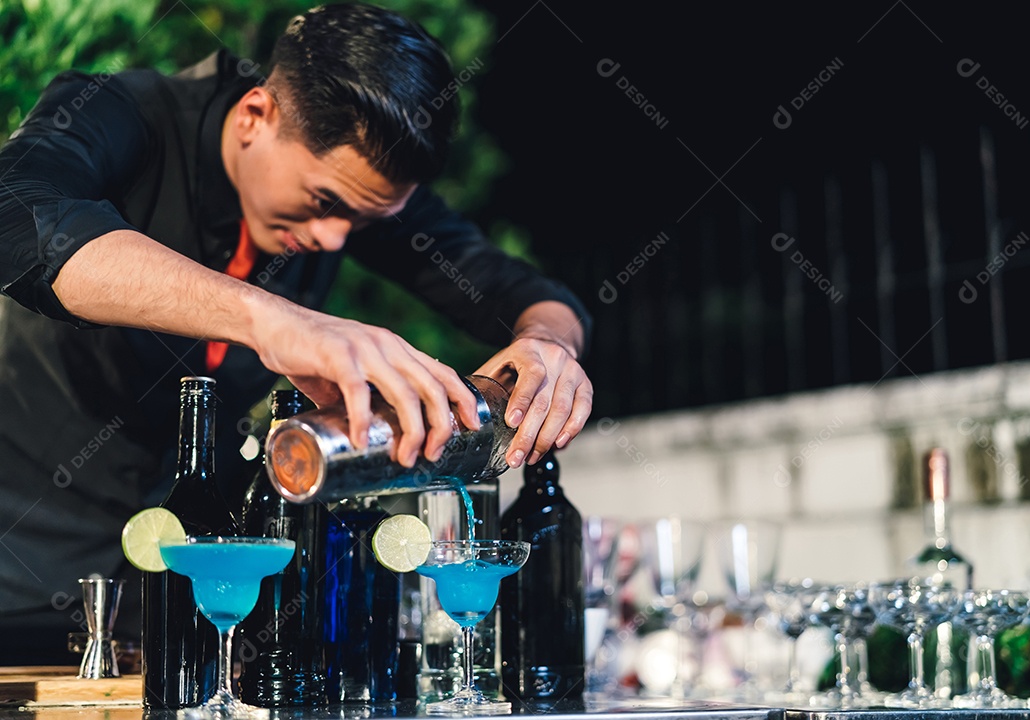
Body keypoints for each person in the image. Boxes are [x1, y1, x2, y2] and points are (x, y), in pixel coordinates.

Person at [0, 2, 592, 663]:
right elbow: (17, 219)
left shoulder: (355, 188)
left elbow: (527, 294)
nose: (334, 238)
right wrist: (276, 320)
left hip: (191, 604)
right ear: (256, 116)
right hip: (20, 577)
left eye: (362, 222)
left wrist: (550, 346)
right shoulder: (123, 112)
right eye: (323, 203)